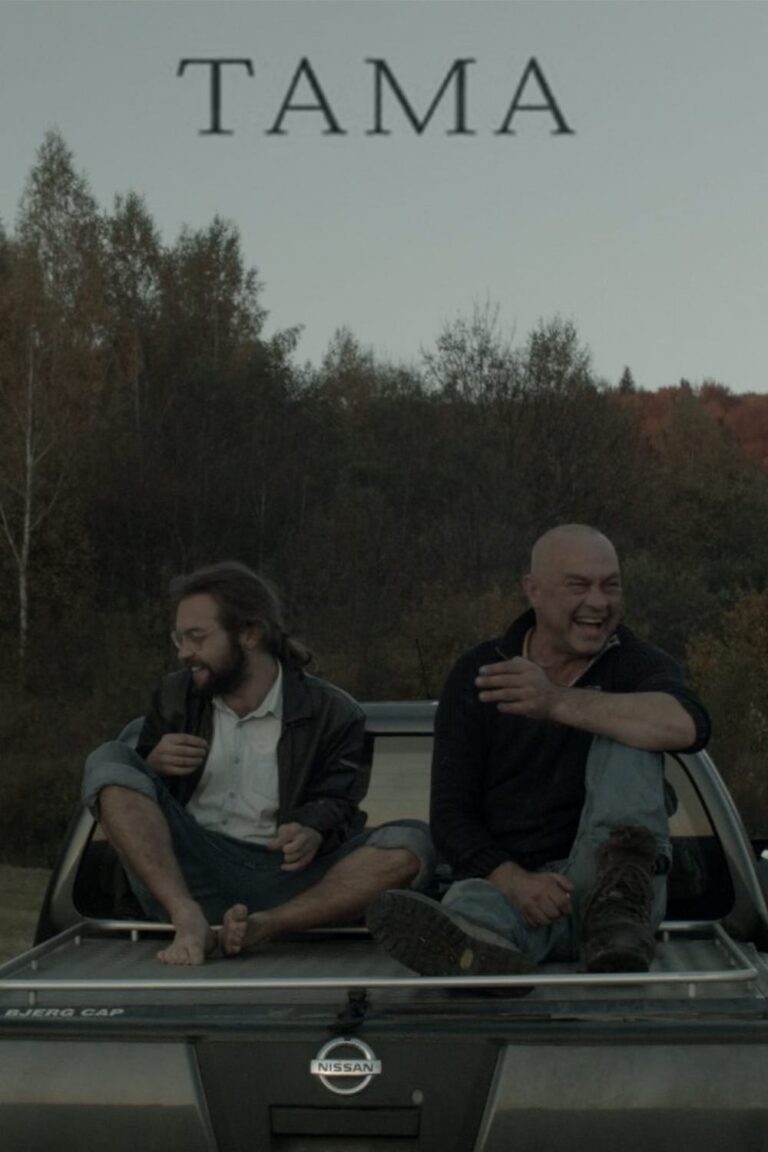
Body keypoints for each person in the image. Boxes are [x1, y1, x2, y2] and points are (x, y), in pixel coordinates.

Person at [366, 524, 711, 980]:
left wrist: (555, 702)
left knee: (632, 723)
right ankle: (476, 956)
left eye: (610, 586)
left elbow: (688, 725)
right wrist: (515, 882)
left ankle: (613, 916)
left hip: (617, 890)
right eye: (578, 586)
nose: (598, 602)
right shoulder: (479, 673)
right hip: (520, 893)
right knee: (471, 903)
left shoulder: (637, 664)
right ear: (534, 591)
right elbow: (450, 815)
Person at [82, 562, 432, 966]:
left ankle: (262, 928)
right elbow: (134, 791)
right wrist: (153, 763)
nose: (183, 653)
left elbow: (338, 800)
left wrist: (312, 829)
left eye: (197, 637)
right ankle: (188, 920)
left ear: (249, 633)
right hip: (190, 869)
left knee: (412, 842)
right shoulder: (174, 696)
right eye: (179, 638)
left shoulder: (335, 712)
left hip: (290, 879)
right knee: (109, 758)